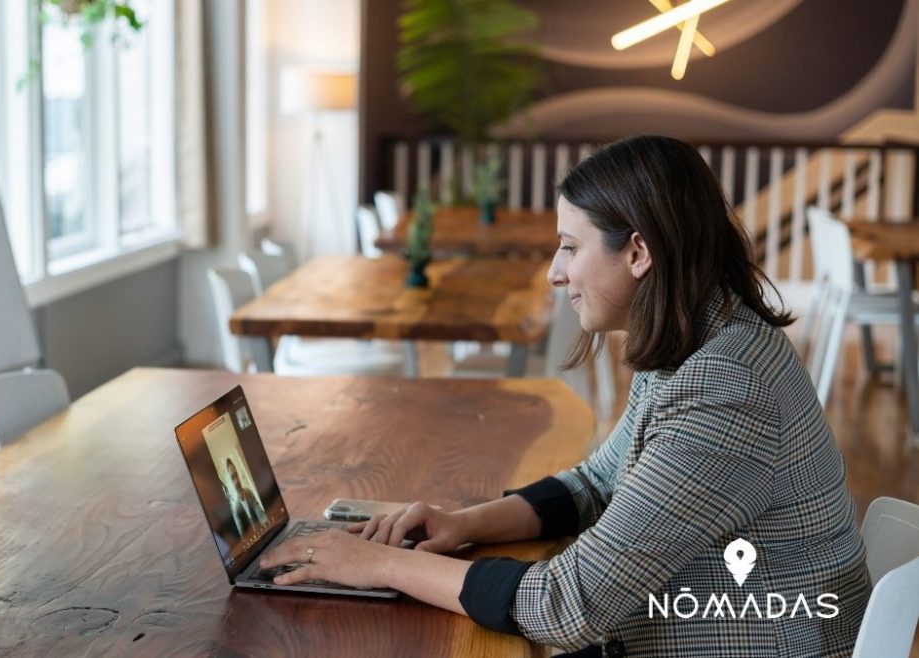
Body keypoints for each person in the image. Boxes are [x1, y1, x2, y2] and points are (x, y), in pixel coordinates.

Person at [259, 135, 871, 657]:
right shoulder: (698, 334)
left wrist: (378, 568)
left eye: (571, 247)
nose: (555, 271)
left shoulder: (727, 386)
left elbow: (569, 605)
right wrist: (461, 524)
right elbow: (596, 483)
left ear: (637, 253)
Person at [226, 457, 268, 536]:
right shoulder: (236, 510)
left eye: (236, 475)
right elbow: (242, 535)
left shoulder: (249, 493)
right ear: (230, 482)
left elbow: (260, 513)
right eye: (232, 477)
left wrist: (268, 524)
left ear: (238, 474)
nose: (236, 481)